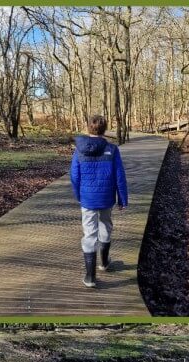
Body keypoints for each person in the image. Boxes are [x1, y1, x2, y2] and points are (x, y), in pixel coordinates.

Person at [70, 115, 128, 288]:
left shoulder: (79, 149)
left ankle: (90, 277)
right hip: (106, 198)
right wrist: (122, 199)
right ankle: (104, 263)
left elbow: (74, 175)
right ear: (104, 129)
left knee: (89, 233)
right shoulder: (112, 149)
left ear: (89, 128)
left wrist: (79, 195)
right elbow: (119, 175)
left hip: (88, 199)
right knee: (105, 226)